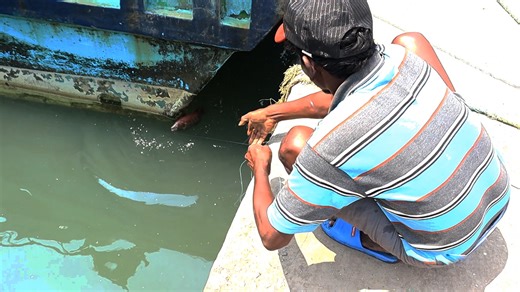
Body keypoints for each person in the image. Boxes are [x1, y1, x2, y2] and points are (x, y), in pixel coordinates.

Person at [239, 0, 510, 267]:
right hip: (498, 192)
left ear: (309, 64)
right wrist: (271, 113)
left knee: (294, 146)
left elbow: (271, 236)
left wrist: (260, 166)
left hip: (443, 248)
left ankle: (376, 242)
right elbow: (344, 98)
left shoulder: (330, 147)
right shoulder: (404, 56)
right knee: (410, 41)